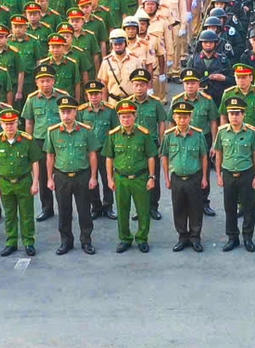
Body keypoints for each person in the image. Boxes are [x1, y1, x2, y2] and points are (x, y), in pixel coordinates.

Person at [44, 97, 100, 255]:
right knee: (64, 210)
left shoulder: (86, 131)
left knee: (84, 210)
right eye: (63, 112)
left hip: (82, 175)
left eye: (69, 111)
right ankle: (65, 241)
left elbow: (92, 155)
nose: (66, 115)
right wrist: (49, 178)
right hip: (62, 176)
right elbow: (50, 156)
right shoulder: (52, 132)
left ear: (76, 112)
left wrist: (93, 176)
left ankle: (86, 241)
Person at [0, 104, 41, 257]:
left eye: (12, 123)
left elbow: (35, 162)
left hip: (24, 182)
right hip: (5, 183)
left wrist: (35, 182)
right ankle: (11, 242)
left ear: (18, 123)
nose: (9, 126)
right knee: (9, 215)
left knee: (27, 214)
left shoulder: (27, 140)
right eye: (6, 123)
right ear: (1, 124)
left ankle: (29, 242)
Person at [103, 101, 158, 254]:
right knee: (122, 210)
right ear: (119, 118)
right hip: (121, 178)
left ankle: (142, 238)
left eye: (128, 116)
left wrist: (151, 177)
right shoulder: (113, 135)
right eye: (122, 117)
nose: (125, 120)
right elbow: (109, 157)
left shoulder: (144, 134)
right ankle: (125, 238)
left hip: (140, 177)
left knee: (143, 210)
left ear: (135, 117)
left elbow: (151, 157)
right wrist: (109, 178)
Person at [160, 101, 209, 253]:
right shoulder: (169, 136)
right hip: (177, 178)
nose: (182, 120)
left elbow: (203, 156)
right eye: (179, 117)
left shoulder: (198, 134)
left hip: (194, 177)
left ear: (190, 118)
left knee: (196, 208)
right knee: (179, 208)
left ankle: (195, 238)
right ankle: (182, 236)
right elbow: (165, 156)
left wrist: (204, 178)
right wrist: (166, 178)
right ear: (174, 117)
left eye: (185, 117)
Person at [214, 103, 255, 252]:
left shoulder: (251, 132)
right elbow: (218, 153)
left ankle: (248, 238)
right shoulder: (222, 132)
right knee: (229, 208)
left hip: (246, 173)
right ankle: (232, 238)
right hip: (228, 174)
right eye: (231, 114)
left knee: (248, 207)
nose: (234, 117)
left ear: (243, 115)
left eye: (237, 113)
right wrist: (218, 174)